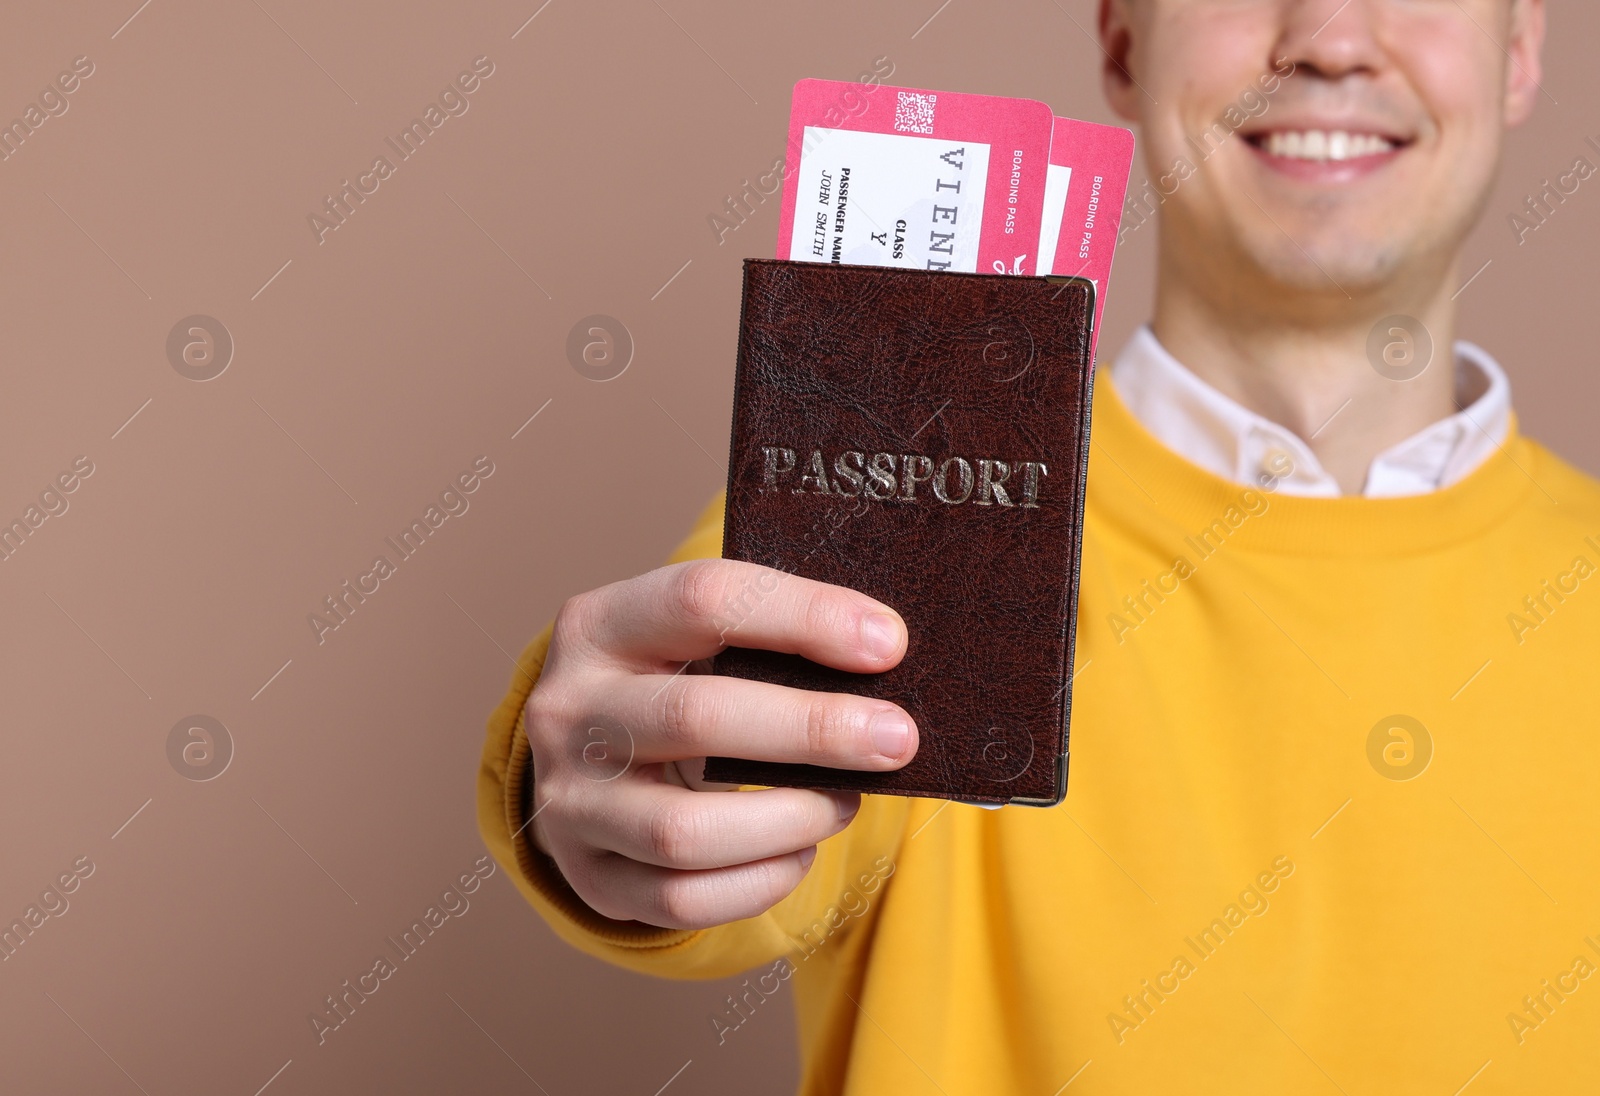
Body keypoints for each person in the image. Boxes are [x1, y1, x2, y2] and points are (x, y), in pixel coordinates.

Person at [480, 0, 1600, 1090]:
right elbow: (687, 773)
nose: (1328, 37)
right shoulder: (912, 509)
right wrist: (615, 773)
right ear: (1121, 43)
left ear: (1518, 53)